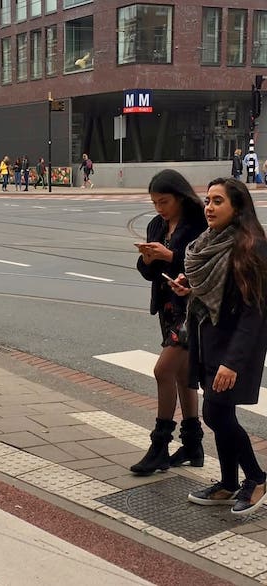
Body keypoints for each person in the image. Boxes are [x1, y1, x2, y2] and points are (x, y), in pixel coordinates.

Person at [168, 178, 267, 515]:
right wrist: (189, 288)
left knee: (215, 412)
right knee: (220, 412)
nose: (209, 207)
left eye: (218, 201)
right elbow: (212, 290)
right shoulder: (207, 242)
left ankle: (256, 478)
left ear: (237, 207)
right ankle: (227, 483)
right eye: (207, 200)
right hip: (207, 339)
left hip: (234, 347)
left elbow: (255, 312)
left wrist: (233, 362)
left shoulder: (250, 246)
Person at [130, 170, 207, 476]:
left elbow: (201, 265)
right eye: (154, 202)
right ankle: (193, 444)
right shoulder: (156, 225)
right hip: (167, 306)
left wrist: (171, 255)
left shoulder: (200, 224)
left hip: (193, 308)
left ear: (180, 196)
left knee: (163, 369)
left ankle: (160, 445)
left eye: (164, 201)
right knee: (182, 374)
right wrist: (148, 260)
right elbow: (147, 271)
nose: (159, 208)